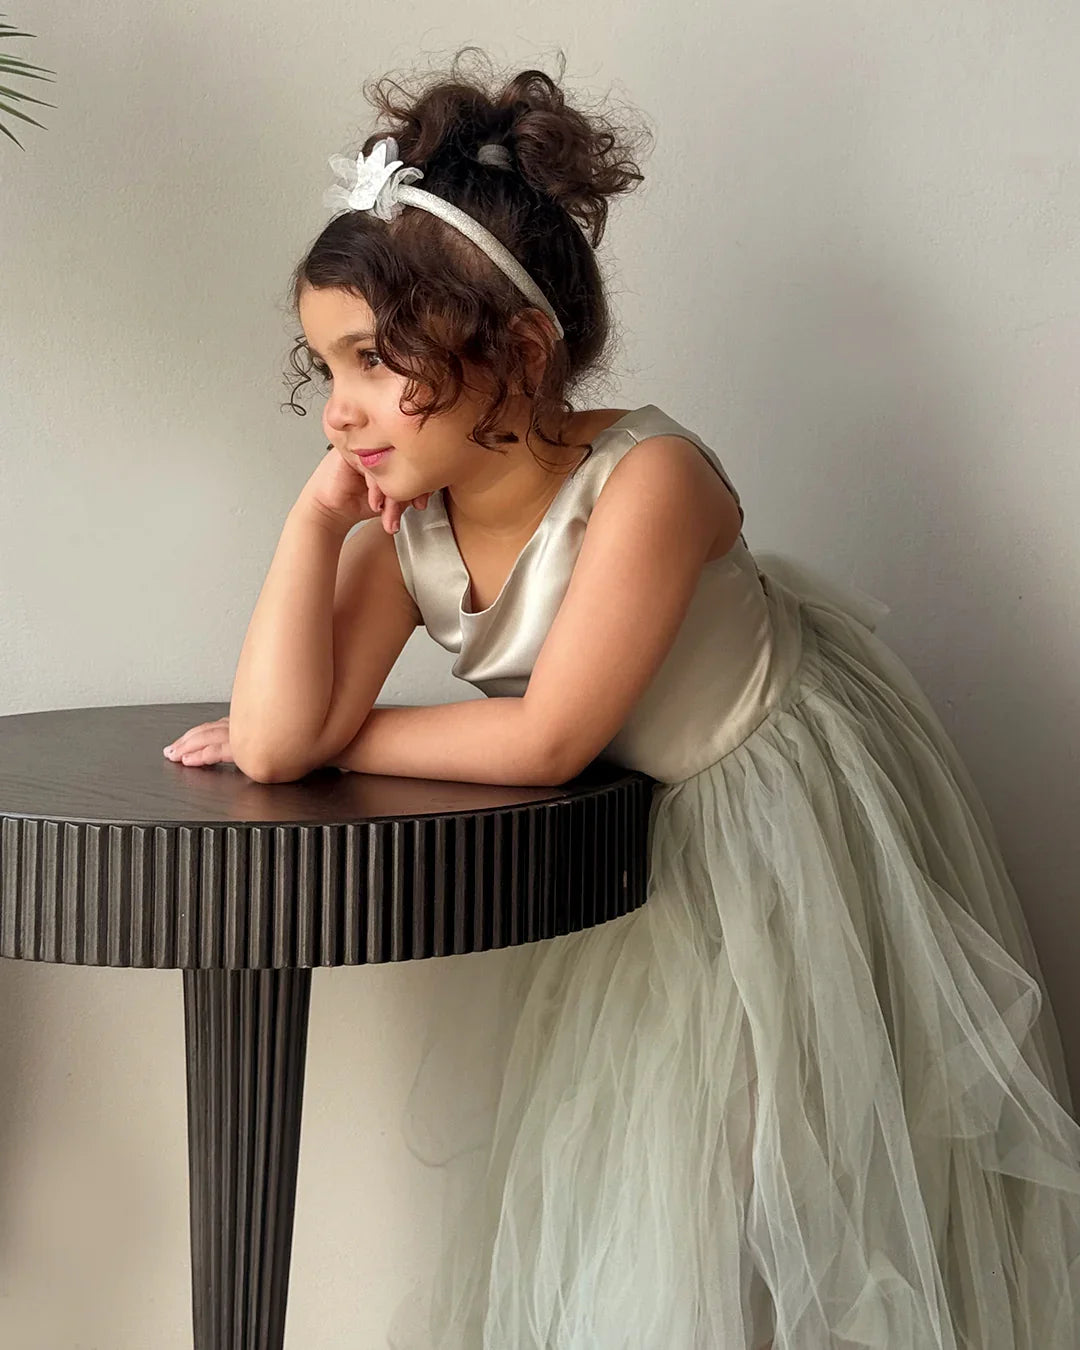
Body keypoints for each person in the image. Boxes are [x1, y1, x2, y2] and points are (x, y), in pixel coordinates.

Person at [162, 49, 1080, 1350]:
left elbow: (546, 740)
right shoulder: (405, 525)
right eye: (326, 371)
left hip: (772, 827)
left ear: (519, 351)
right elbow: (267, 740)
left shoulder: (652, 482)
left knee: (772, 1192)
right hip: (642, 851)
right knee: (652, 1207)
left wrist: (334, 736)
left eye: (374, 360)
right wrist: (314, 529)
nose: (341, 412)